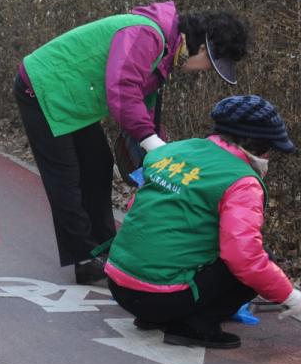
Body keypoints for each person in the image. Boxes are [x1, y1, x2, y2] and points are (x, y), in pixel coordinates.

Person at [16, 4, 247, 284]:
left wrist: (155, 145)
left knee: (98, 166)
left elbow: (143, 102)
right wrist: (152, 144)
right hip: (44, 87)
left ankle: (104, 246)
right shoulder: (147, 35)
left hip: (74, 95)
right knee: (64, 178)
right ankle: (84, 258)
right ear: (203, 50)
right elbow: (123, 87)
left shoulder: (167, 47)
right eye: (211, 64)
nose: (204, 71)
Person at [103, 95, 301, 348]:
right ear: (257, 145)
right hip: (160, 297)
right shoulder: (241, 181)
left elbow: (137, 209)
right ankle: (195, 326)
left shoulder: (170, 152)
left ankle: (155, 315)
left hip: (119, 283)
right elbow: (245, 257)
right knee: (262, 259)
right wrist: (291, 297)